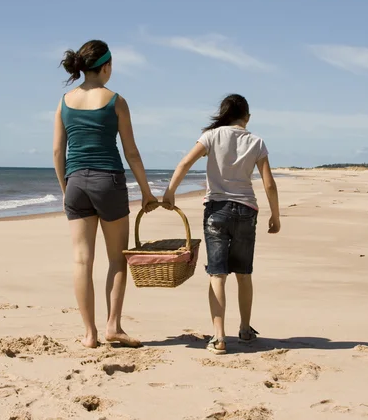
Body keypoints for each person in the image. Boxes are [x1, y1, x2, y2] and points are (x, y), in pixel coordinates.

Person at [53, 39, 158, 348]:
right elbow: (132, 153)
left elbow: (58, 151)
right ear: (107, 67)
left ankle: (90, 334)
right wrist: (147, 192)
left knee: (81, 261)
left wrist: (65, 189)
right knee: (117, 259)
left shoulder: (64, 102)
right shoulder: (116, 101)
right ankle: (113, 326)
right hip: (108, 182)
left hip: (76, 183)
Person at [163, 94, 280, 355]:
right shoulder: (256, 142)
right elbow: (269, 183)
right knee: (244, 274)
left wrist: (170, 192)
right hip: (247, 211)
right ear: (246, 117)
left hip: (216, 210)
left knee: (217, 274)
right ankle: (246, 329)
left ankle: (218, 338)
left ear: (224, 113)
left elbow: (185, 162)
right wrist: (276, 215)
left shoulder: (211, 137)